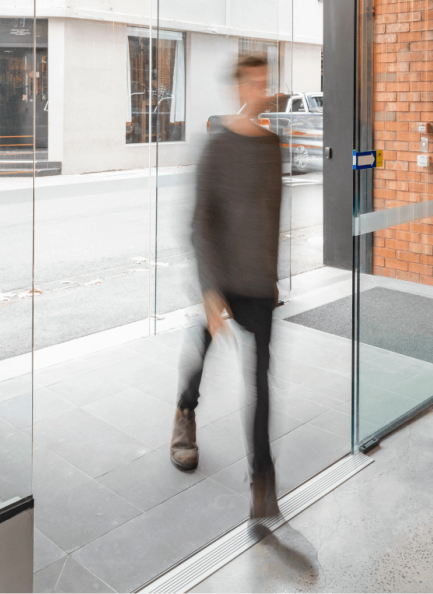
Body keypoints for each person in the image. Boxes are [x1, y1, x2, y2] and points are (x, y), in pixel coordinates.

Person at [170, 53, 282, 519]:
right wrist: (211, 290)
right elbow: (199, 224)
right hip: (221, 278)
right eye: (253, 83)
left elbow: (273, 217)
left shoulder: (274, 145)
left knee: (259, 381)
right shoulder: (216, 147)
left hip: (258, 282)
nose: (261, 90)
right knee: (204, 345)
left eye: (265, 82)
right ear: (240, 89)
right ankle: (185, 411)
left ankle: (262, 476)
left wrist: (274, 279)